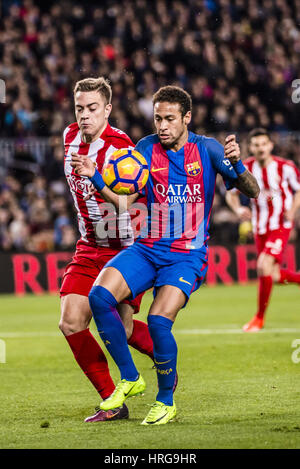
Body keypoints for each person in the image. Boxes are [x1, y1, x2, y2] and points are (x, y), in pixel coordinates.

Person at [71, 85, 259, 425]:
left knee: (158, 321)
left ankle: (166, 400)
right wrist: (97, 178)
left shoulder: (208, 149)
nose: (162, 125)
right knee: (99, 297)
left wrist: (237, 164)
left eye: (170, 119)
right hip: (146, 248)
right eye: (158, 118)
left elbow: (253, 190)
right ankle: (129, 378)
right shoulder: (144, 149)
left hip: (186, 256)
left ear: (187, 118)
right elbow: (126, 203)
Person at [59, 76, 156, 423]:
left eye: (92, 108)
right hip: (88, 245)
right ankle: (112, 403)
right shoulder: (69, 137)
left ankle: (165, 354)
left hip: (125, 248)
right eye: (80, 108)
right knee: (71, 322)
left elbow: (128, 204)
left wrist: (96, 178)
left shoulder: (121, 147)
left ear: (108, 109)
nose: (85, 115)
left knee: (124, 331)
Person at [226, 128, 300, 332]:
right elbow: (230, 194)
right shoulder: (244, 168)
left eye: (263, 144)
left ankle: (259, 318)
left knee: (262, 265)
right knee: (273, 275)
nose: (260, 148)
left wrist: (292, 211)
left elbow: (298, 190)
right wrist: (238, 208)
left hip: (280, 225)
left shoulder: (286, 167)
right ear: (250, 147)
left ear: (270, 145)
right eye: (256, 145)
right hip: (260, 227)